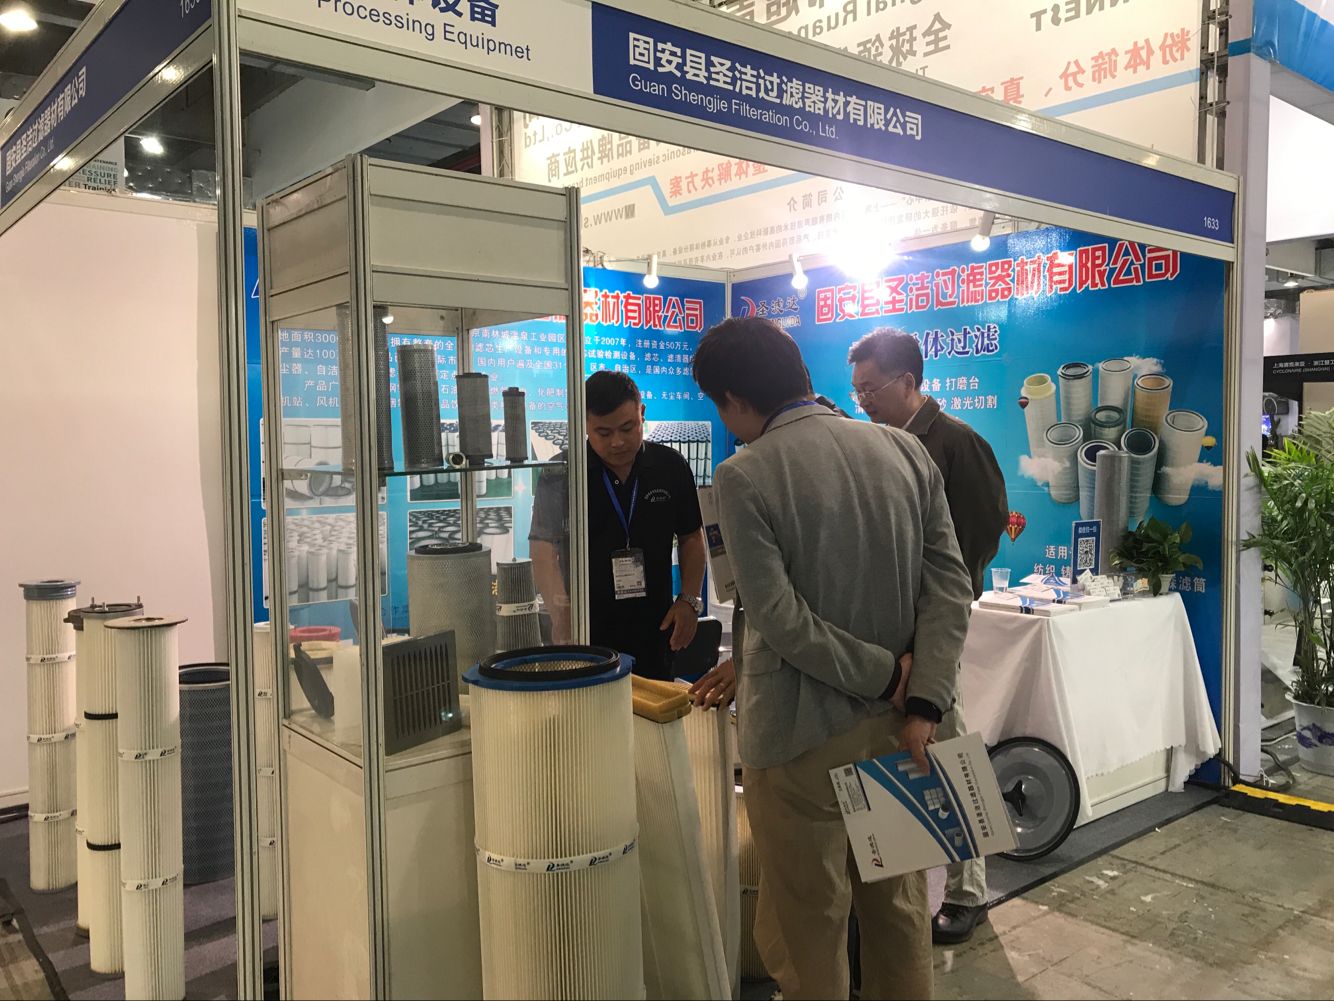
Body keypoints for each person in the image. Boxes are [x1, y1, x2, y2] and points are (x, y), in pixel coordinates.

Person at [692, 317, 974, 1001]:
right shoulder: (904, 451)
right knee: (899, 911)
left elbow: (780, 620)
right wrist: (921, 697)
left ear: (735, 400)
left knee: (808, 926)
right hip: (899, 731)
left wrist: (883, 675)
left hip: (798, 737)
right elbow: (951, 586)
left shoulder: (744, 474)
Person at [849, 327, 1010, 946]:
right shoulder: (876, 444)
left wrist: (935, 624)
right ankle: (904, 878)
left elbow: (979, 536)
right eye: (857, 390)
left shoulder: (958, 443)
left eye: (871, 389)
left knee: (949, 746)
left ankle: (970, 890)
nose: (863, 400)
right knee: (902, 751)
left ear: (908, 381)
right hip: (889, 633)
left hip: (936, 630)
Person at [530, 371, 707, 680]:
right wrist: (561, 614)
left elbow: (691, 537)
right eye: (603, 432)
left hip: (656, 627)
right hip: (586, 630)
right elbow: (543, 549)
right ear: (584, 424)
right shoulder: (562, 472)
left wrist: (689, 600)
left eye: (627, 428)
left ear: (642, 414)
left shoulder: (670, 466)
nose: (618, 442)